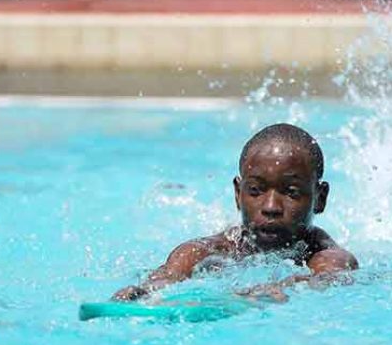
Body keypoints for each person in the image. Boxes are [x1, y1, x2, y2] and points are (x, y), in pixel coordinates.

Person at [112, 123, 358, 303]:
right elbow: (169, 275)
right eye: (255, 190)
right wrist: (145, 291)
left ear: (320, 198)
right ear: (238, 194)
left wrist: (286, 287)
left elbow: (328, 279)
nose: (271, 206)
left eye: (291, 192)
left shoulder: (326, 255)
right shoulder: (212, 250)